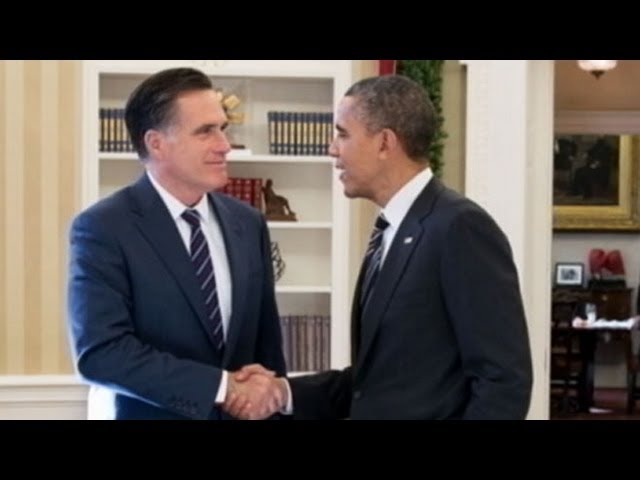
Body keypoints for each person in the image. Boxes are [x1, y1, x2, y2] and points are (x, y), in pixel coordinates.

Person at [226, 74, 533, 420]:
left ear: (385, 142)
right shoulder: (392, 230)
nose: (332, 149)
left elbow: (503, 381)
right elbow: (374, 383)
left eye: (343, 134)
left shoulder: (460, 228)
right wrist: (283, 392)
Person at [67, 67, 287, 420]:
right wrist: (221, 387)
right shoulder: (104, 228)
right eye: (205, 131)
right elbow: (102, 354)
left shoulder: (248, 222)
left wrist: (269, 402)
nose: (224, 145)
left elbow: (267, 348)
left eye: (223, 128)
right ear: (156, 143)